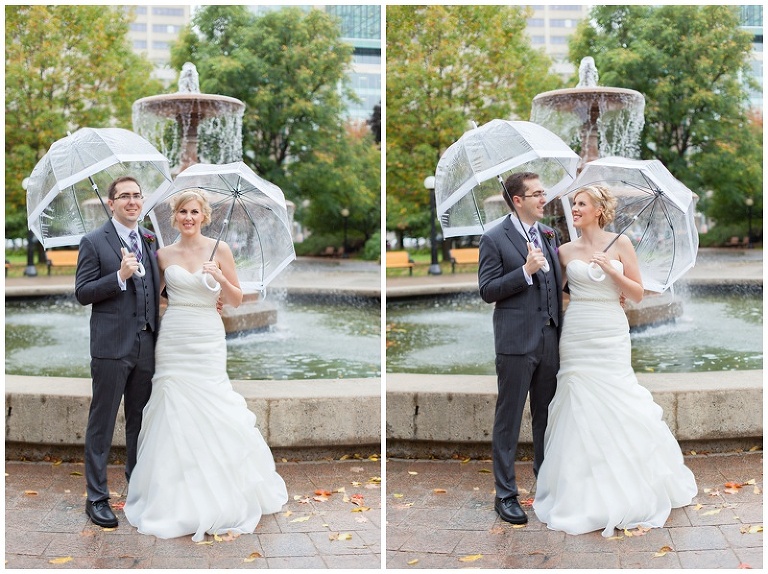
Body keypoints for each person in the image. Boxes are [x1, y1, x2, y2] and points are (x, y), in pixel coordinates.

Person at [533, 185, 697, 537]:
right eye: (574, 204)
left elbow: (637, 294)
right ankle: (579, 489)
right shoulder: (563, 251)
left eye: (581, 204)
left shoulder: (621, 244)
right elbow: (552, 296)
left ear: (598, 211)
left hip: (610, 328)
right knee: (577, 399)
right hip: (577, 331)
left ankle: (630, 481)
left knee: (618, 396)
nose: (574, 209)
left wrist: (612, 270)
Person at [123, 189, 288, 542]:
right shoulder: (162, 254)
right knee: (172, 407)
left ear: (204, 216)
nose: (188, 218)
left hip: (208, 338)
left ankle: (221, 489)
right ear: (175, 217)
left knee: (214, 403)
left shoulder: (220, 250)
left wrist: (221, 278)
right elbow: (153, 298)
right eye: (182, 212)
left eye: (194, 212)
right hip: (175, 337)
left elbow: (236, 299)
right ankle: (171, 494)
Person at [478, 172, 563, 525]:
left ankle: (544, 484)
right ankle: (506, 495)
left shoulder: (549, 234)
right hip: (514, 343)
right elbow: (487, 290)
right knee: (508, 420)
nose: (544, 199)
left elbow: (557, 285)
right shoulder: (494, 237)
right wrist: (525, 271)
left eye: (544, 193)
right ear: (518, 200)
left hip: (548, 340)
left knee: (546, 418)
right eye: (537, 194)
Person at [75, 176, 160, 528]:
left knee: (139, 424)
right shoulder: (94, 241)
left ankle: (137, 491)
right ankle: (96, 498)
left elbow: (157, 291)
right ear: (111, 203)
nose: (132, 201)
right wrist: (119, 276)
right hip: (111, 347)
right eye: (124, 196)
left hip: (146, 346)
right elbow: (82, 292)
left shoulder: (150, 240)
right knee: (102, 423)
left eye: (137, 195)